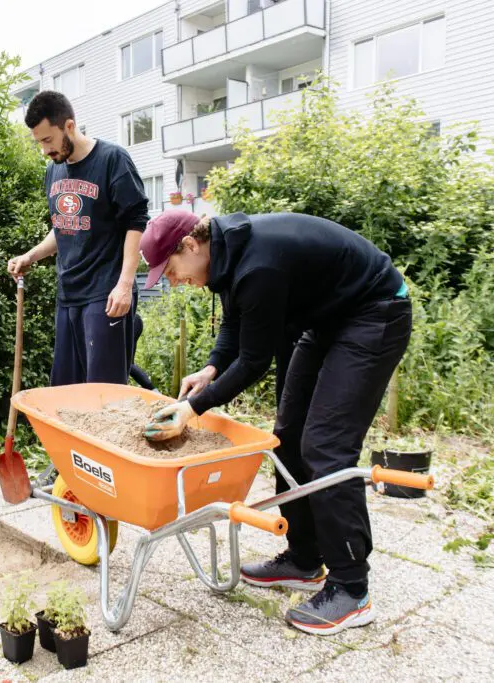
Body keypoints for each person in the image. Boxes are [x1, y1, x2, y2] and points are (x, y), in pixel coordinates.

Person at [140, 210, 411, 636]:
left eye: (170, 270)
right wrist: (210, 369)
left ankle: (352, 589)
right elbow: (236, 323)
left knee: (325, 446)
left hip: (374, 312)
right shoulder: (226, 257)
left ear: (190, 246)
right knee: (287, 437)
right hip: (325, 321)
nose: (172, 281)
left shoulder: (258, 264)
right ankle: (305, 560)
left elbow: (254, 362)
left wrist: (194, 409)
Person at [7, 91, 150, 386]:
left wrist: (124, 285)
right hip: (69, 293)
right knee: (66, 390)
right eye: (39, 143)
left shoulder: (113, 160)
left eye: (48, 140)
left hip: (106, 295)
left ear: (69, 126)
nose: (45, 150)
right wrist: (30, 256)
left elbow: (136, 223)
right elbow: (64, 227)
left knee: (103, 393)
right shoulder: (54, 170)